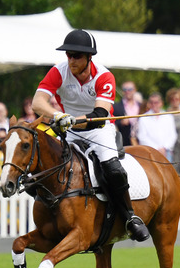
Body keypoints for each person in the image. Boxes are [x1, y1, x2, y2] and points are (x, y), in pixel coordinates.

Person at [32, 29, 150, 241]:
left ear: (89, 57)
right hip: (67, 128)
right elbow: (37, 102)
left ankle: (129, 218)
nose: (71, 60)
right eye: (68, 55)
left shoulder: (104, 76)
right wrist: (59, 116)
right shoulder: (59, 72)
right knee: (39, 169)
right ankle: (54, 215)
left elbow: (101, 114)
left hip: (99, 130)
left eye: (76, 56)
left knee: (113, 170)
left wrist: (74, 120)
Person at [134, 92, 178, 161]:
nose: (154, 105)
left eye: (156, 102)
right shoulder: (143, 118)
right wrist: (156, 149)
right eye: (151, 102)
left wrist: (164, 148)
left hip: (167, 152)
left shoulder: (168, 117)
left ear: (161, 103)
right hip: (151, 153)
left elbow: (173, 135)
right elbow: (142, 137)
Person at [112, 81, 142, 146]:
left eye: (130, 89)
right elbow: (111, 123)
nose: (127, 92)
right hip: (124, 143)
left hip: (141, 142)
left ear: (135, 90)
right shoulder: (116, 107)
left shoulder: (141, 106)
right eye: (125, 90)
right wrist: (121, 122)